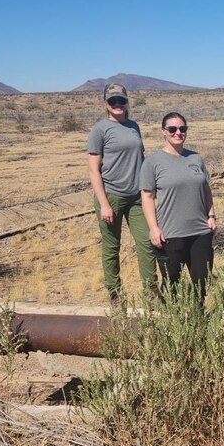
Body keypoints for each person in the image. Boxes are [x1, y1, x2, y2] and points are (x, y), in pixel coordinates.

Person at [87, 83, 157, 305]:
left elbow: (141, 160)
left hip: (137, 197)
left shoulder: (133, 126)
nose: (117, 105)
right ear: (105, 103)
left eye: (121, 100)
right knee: (111, 247)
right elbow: (93, 169)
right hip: (112, 196)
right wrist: (104, 203)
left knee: (147, 242)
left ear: (127, 102)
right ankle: (115, 293)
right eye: (112, 101)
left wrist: (149, 188)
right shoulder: (100, 130)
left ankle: (151, 291)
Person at [141, 112, 217, 300]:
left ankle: (198, 323)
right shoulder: (152, 162)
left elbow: (206, 189)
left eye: (182, 129)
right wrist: (153, 228)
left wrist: (211, 216)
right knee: (171, 284)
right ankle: (171, 324)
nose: (178, 133)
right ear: (163, 131)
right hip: (170, 234)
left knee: (202, 283)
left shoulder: (196, 158)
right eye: (172, 129)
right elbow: (147, 197)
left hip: (200, 231)